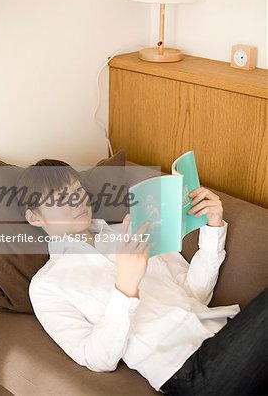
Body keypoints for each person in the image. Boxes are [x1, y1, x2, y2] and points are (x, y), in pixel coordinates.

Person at [16, 159, 268, 396]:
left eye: (77, 189)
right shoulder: (47, 285)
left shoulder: (133, 231)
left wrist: (213, 226)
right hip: (187, 368)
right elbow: (96, 358)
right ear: (34, 217)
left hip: (224, 332)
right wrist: (125, 286)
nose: (77, 201)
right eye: (60, 197)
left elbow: (195, 294)